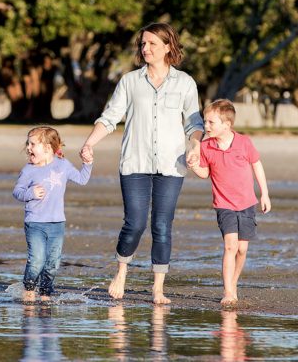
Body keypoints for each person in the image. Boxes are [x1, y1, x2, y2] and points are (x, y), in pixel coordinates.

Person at [80, 22, 204, 305]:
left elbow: (194, 123)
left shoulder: (185, 83)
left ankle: (158, 288)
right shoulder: (130, 81)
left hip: (172, 165)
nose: (145, 49)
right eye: (143, 44)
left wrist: (195, 145)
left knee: (162, 225)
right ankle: (121, 271)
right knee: (134, 223)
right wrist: (89, 143)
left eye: (151, 44)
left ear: (168, 47)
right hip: (134, 163)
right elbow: (110, 117)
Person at [186, 98, 271, 306]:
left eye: (210, 123)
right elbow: (205, 173)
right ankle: (228, 291)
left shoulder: (244, 142)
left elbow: (257, 165)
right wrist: (195, 166)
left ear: (227, 124)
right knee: (230, 247)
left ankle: (233, 282)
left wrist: (265, 193)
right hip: (224, 205)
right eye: (205, 122)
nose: (205, 126)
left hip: (247, 204)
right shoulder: (206, 146)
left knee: (242, 249)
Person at [13, 125, 93, 302]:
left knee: (53, 263)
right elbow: (17, 192)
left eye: (33, 144)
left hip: (57, 223)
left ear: (48, 148)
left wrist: (88, 163)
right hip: (34, 223)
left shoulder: (63, 166)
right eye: (28, 143)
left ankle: (45, 294)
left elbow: (82, 179)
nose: (28, 147)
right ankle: (29, 289)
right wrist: (30, 194)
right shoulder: (28, 170)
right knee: (37, 260)